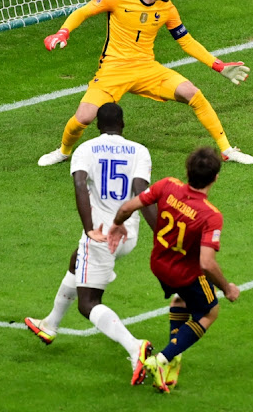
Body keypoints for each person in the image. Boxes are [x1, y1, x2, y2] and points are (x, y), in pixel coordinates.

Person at [38, 0, 253, 167]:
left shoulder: (167, 8)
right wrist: (63, 32)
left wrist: (217, 65)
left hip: (147, 69)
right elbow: (83, 11)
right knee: (83, 117)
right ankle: (63, 152)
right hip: (114, 70)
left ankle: (227, 151)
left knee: (192, 92)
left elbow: (186, 41)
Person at [25, 102, 158, 386]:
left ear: (98, 125)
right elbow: (141, 193)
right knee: (76, 261)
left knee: (88, 303)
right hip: (128, 236)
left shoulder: (85, 150)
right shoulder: (140, 151)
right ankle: (50, 324)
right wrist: (161, 234)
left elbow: (80, 185)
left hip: (100, 237)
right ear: (123, 124)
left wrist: (89, 230)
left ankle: (135, 347)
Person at [107, 146, 240, 393]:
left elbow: (127, 208)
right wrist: (227, 288)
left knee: (180, 301)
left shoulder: (168, 185)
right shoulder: (210, 216)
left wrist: (116, 225)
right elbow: (206, 263)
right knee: (209, 312)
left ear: (187, 171)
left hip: (159, 265)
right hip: (186, 274)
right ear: (215, 178)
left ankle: (173, 358)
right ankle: (162, 359)